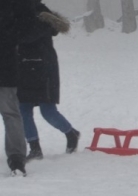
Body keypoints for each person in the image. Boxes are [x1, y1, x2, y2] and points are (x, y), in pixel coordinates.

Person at [17, 0, 80, 162]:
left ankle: (71, 133)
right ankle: (35, 148)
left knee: (47, 110)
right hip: (23, 67)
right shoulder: (17, 12)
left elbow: (25, 36)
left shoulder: (40, 15)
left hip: (43, 68)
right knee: (23, 110)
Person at [1, 0, 36, 176]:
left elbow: (28, 24)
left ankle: (16, 159)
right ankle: (16, 159)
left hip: (6, 67)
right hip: (6, 65)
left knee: (11, 114)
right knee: (11, 114)